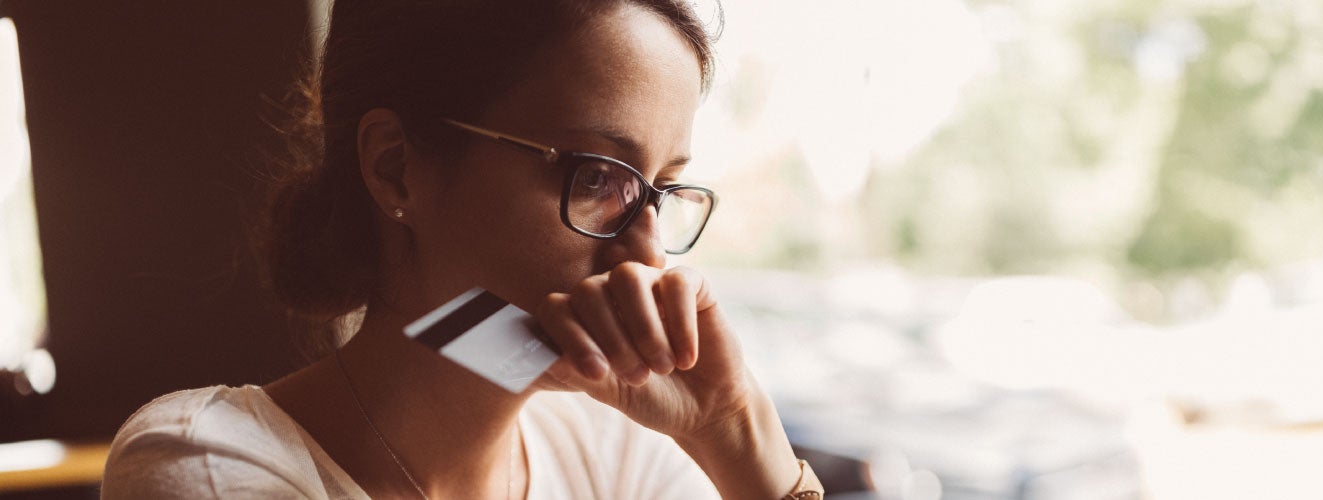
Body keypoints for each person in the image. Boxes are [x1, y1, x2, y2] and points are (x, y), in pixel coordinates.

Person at [99, 1, 825, 498]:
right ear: (395, 167)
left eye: (661, 192)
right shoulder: (209, 464)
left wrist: (736, 435)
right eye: (598, 176)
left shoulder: (618, 455)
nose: (646, 263)